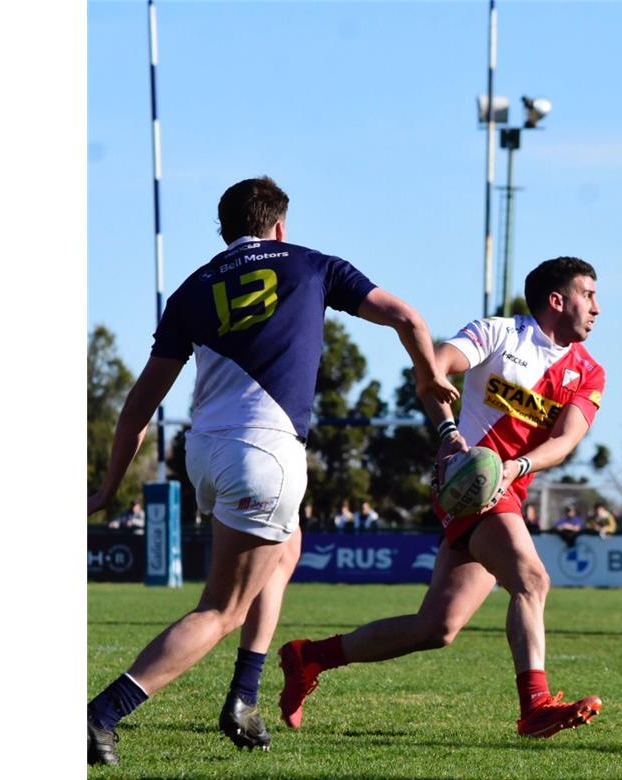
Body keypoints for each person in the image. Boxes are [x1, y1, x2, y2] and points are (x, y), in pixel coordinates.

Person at [84, 176, 458, 766]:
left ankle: (244, 697)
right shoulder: (312, 265)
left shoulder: (192, 288)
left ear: (225, 228)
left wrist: (108, 485)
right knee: (220, 609)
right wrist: (429, 375)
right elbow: (407, 318)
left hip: (205, 450)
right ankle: (101, 714)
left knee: (285, 551)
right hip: (266, 452)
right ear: (280, 226)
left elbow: (141, 403)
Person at [278, 256, 607, 740]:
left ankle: (310, 657)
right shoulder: (500, 335)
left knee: (437, 627)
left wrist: (516, 467)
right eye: (590, 295)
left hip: (506, 489)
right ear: (559, 300)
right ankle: (535, 704)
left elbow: (566, 440)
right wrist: (449, 433)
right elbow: (433, 368)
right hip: (466, 487)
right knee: (533, 581)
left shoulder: (589, 371)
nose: (598, 308)